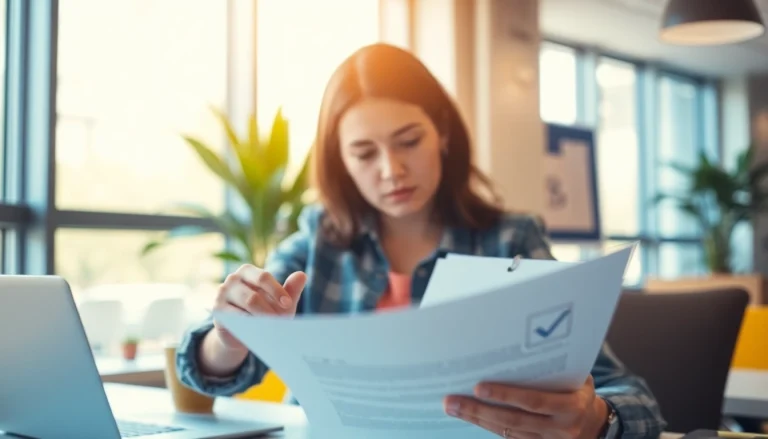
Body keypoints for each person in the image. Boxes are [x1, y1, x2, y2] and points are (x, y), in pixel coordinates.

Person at [176, 43, 667, 439]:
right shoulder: (318, 240)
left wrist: (596, 420)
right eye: (364, 153)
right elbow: (203, 371)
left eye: (409, 141)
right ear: (341, 162)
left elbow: (633, 398)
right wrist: (228, 339)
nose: (391, 171)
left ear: (444, 135)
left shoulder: (511, 238)